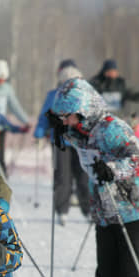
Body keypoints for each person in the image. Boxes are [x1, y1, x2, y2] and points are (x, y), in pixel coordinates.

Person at [48, 77, 139, 277]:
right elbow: (76, 139)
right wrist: (59, 130)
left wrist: (113, 170)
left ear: (85, 110)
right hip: (105, 213)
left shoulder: (112, 129)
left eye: (68, 116)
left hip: (134, 212)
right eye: (61, 117)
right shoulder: (80, 130)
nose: (66, 121)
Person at [35, 61, 91, 225]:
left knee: (83, 176)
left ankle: (88, 209)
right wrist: (39, 133)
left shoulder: (84, 95)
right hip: (60, 141)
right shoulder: (53, 95)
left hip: (80, 141)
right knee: (62, 177)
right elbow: (44, 116)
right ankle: (62, 210)